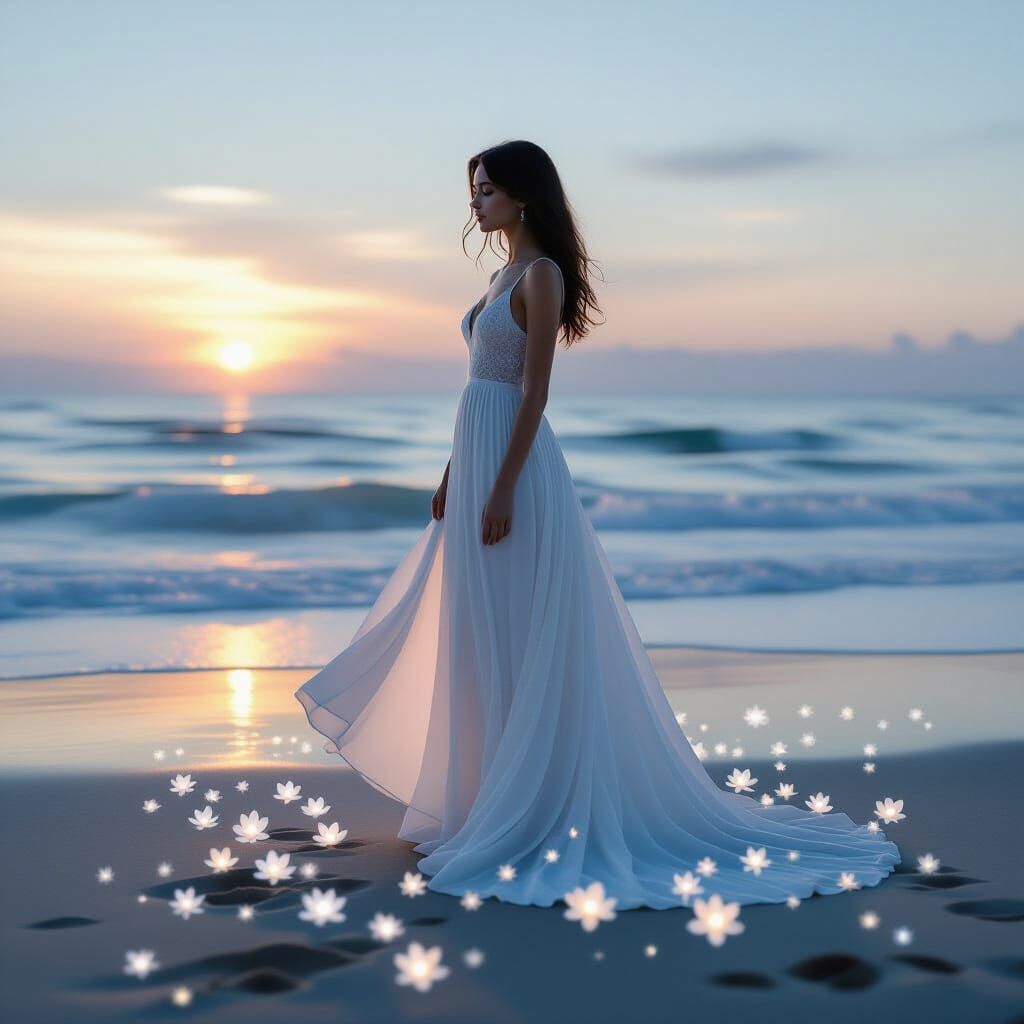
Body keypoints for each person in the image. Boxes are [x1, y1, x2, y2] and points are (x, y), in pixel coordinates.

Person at [295, 140, 901, 910]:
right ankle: (484, 797)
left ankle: (529, 803)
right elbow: (477, 385)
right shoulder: (497, 277)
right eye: (473, 190)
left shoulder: (541, 276)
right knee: (479, 630)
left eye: (486, 190)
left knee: (519, 627)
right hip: (477, 459)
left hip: (516, 468)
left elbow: (533, 391)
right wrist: (454, 473)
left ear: (523, 196)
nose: (475, 203)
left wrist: (504, 485)